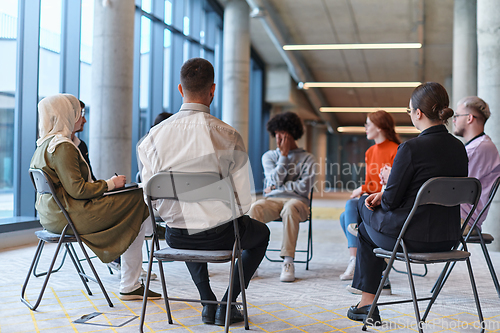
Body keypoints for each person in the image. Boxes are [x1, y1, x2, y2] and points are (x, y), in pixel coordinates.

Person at [138, 58, 270, 327]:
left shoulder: (152, 137)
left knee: (187, 218)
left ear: (180, 89)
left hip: (176, 237)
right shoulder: (228, 135)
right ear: (212, 90)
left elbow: (149, 197)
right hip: (222, 236)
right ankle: (227, 302)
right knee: (262, 233)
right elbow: (244, 201)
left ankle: (207, 300)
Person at [346, 82, 468, 324]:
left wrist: (386, 190)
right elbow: (433, 190)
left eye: (410, 110)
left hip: (410, 238)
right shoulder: (459, 148)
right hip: (450, 237)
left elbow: (391, 203)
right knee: (367, 224)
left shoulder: (410, 148)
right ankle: (365, 302)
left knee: (361, 210)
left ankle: (367, 304)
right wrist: (387, 193)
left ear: (418, 113)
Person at [30, 93, 161, 301]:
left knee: (136, 207)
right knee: (139, 199)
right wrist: (111, 184)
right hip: (72, 216)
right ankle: (131, 282)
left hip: (53, 216)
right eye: (76, 112)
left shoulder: (42, 146)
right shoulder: (62, 146)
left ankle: (135, 245)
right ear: (65, 114)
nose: (79, 116)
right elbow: (79, 190)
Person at [248, 112, 315, 283]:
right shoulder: (270, 156)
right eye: (276, 134)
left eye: (282, 134)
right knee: (255, 207)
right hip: (273, 202)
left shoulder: (308, 159)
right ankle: (250, 261)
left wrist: (279, 187)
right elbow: (273, 180)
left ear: (292, 134)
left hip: (298, 204)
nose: (278, 139)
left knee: (290, 206)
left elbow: (304, 188)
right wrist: (283, 157)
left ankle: (288, 261)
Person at [339, 111, 399, 283]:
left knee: (350, 207)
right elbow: (370, 182)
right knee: (344, 217)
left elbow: (390, 185)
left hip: (385, 200)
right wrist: (364, 188)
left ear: (379, 127)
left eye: (368, 124)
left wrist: (362, 189)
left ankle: (356, 261)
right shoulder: (370, 151)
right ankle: (366, 260)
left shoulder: (396, 150)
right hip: (370, 198)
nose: (365, 127)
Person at [453, 96, 500, 235]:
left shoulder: (477, 149)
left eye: (456, 115)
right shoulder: (481, 145)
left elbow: (451, 184)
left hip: (461, 220)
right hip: (462, 217)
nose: (453, 120)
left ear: (469, 118)